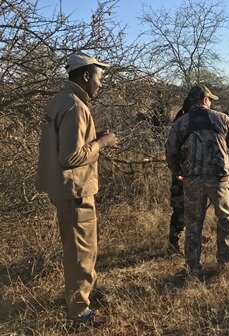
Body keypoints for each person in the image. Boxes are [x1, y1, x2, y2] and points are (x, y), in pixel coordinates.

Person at [36, 52, 117, 322]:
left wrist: (93, 138)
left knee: (77, 251)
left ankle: (80, 301)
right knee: (82, 254)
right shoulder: (75, 105)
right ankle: (80, 313)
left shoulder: (63, 99)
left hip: (68, 190)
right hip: (75, 192)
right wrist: (102, 143)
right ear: (86, 75)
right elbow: (69, 157)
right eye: (99, 77)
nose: (100, 83)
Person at [166, 85, 229, 275]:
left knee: (193, 222)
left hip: (192, 180)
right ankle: (224, 261)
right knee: (224, 218)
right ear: (205, 99)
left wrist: (177, 171)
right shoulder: (222, 118)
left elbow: (171, 152)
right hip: (219, 179)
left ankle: (193, 267)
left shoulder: (180, 123)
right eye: (210, 99)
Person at [168, 98, 193, 253]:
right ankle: (174, 243)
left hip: (189, 171)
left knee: (192, 208)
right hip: (182, 173)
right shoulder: (182, 121)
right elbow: (172, 149)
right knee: (181, 209)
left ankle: (186, 238)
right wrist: (177, 172)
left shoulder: (183, 118)